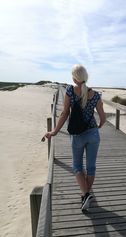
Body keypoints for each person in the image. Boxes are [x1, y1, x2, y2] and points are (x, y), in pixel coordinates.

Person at [44, 64, 106, 211]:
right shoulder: (96, 95)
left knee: (77, 166)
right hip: (93, 134)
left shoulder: (70, 91)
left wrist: (54, 131)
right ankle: (86, 195)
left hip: (77, 135)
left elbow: (64, 114)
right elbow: (102, 118)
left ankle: (85, 194)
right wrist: (98, 125)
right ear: (85, 77)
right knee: (91, 167)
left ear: (74, 77)